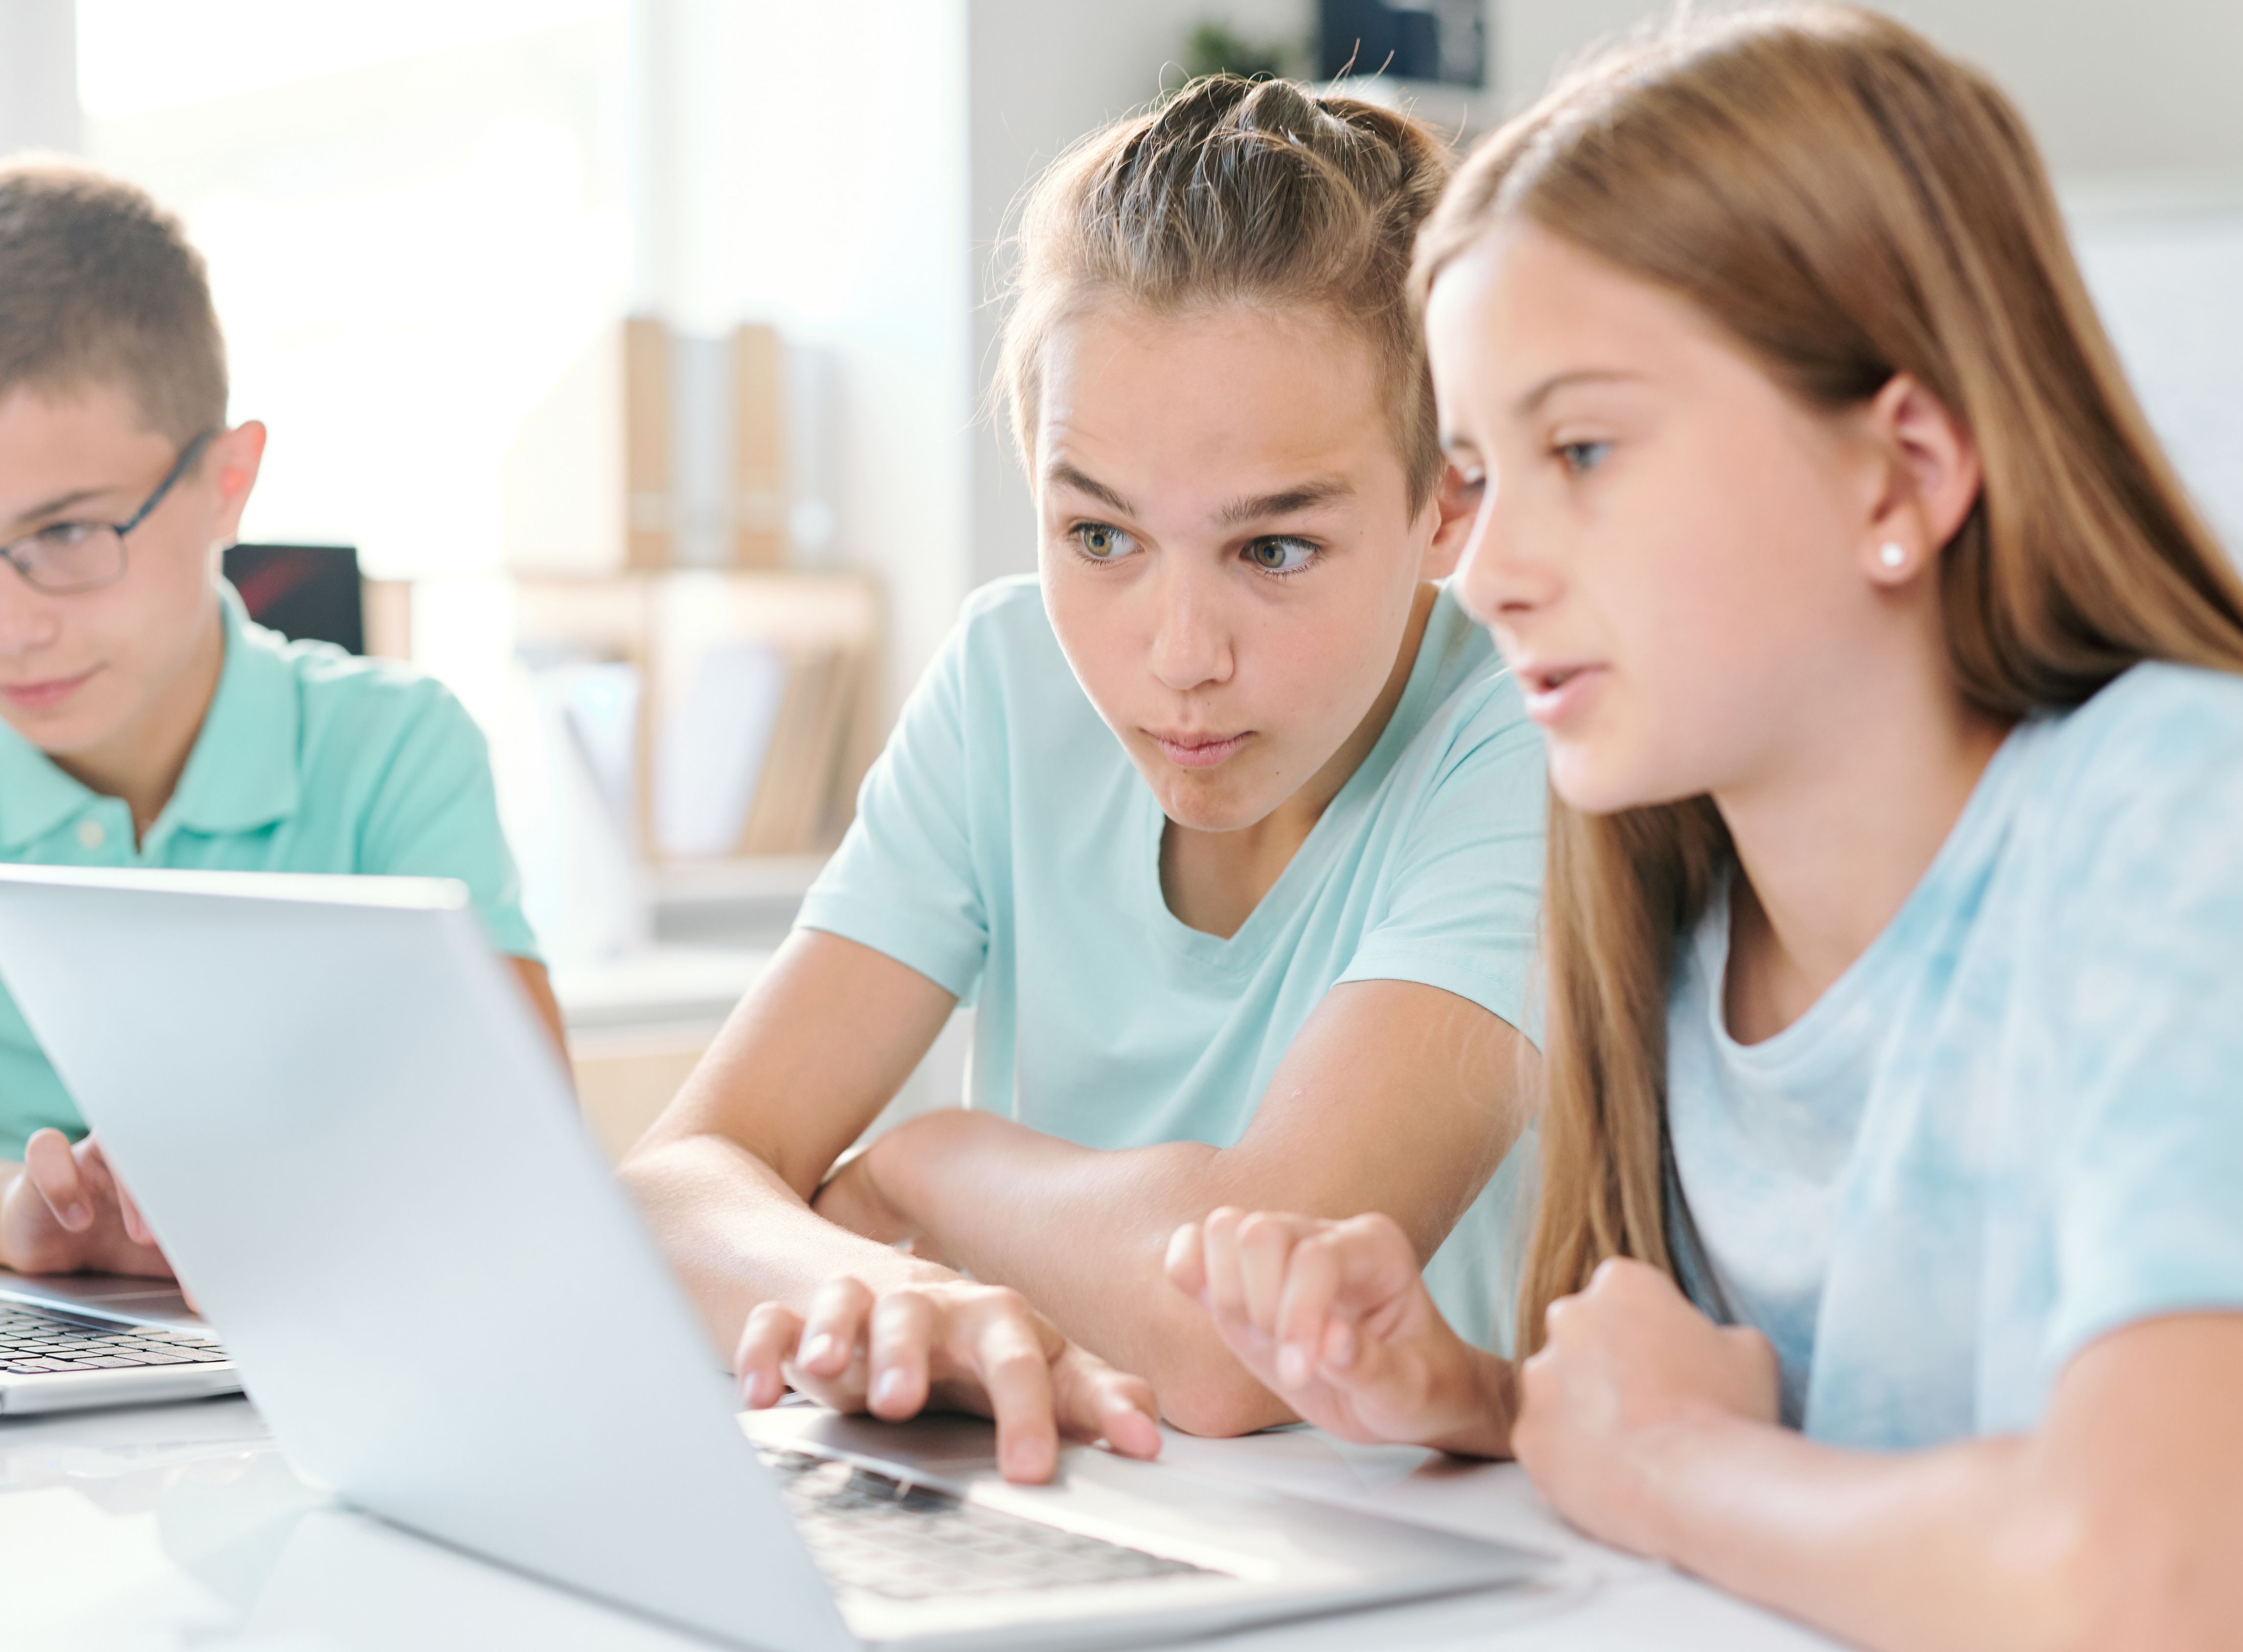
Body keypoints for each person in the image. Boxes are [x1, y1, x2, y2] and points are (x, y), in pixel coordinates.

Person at [1168, 9, 2243, 1649]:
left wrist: (1658, 1458)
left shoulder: (2202, 809)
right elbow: (1863, 1482)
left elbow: (2168, 1587)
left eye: (1581, 447)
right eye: (1476, 474)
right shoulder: (1678, 917)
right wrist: (1494, 1398)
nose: (1488, 568)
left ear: (1902, 473)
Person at [620, 76, 1548, 1485]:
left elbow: (1244, 1340)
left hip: (1419, 1563)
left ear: (1447, 504)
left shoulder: (1526, 732)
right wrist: (880, 1291)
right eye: (1100, 535)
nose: (1177, 657)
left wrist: (929, 1166)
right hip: (1063, 1511)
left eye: (1274, 550)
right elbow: (675, 1185)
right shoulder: (1009, 678)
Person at [0, 161, 562, 1282]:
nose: (3, 624)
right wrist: (12, 1215)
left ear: (229, 482)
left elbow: (524, 1152)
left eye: (71, 534)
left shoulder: (395, 750)